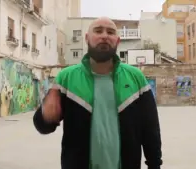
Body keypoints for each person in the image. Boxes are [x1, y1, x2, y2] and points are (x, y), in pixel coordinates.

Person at [33, 17, 163, 169]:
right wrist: (46, 117)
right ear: (87, 38)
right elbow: (43, 127)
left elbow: (150, 129)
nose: (104, 35)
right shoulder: (66, 78)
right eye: (98, 30)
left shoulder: (136, 78)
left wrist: (155, 165)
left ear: (117, 40)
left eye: (110, 32)